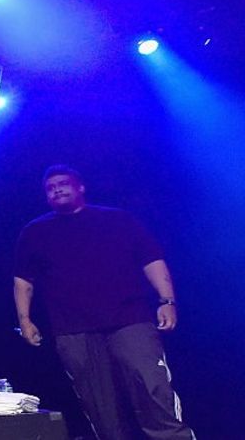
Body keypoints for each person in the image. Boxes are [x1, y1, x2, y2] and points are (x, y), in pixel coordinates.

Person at [13, 165, 193, 440]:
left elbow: (151, 260)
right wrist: (25, 320)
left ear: (80, 187)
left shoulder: (116, 220)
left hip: (129, 319)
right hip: (73, 329)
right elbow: (23, 280)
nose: (57, 190)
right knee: (101, 408)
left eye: (63, 184)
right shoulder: (35, 232)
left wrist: (167, 300)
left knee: (152, 389)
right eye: (50, 188)